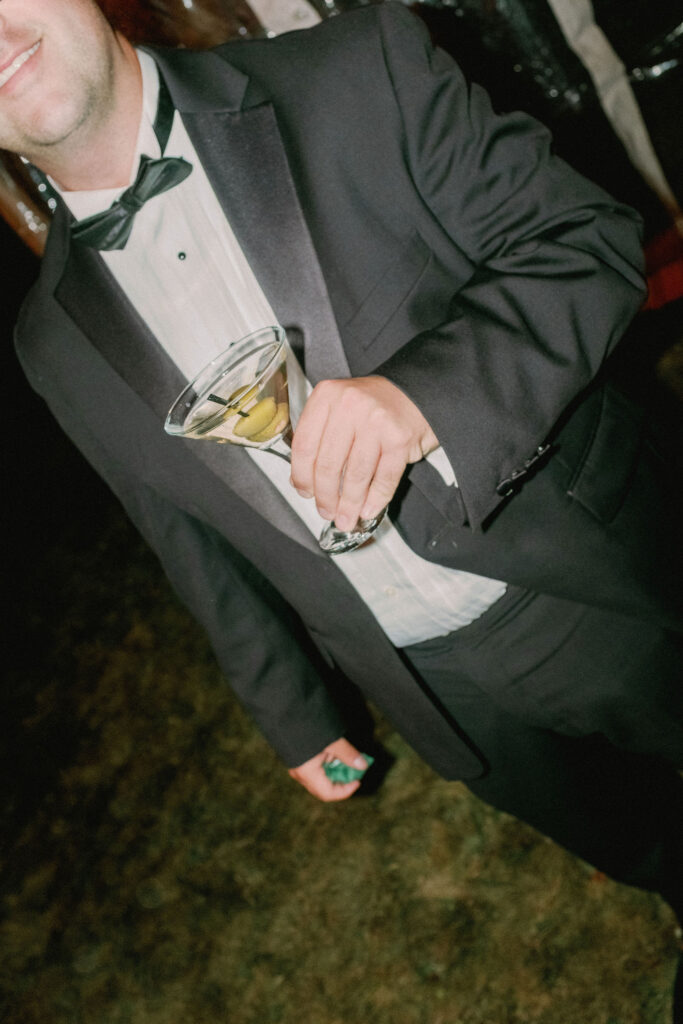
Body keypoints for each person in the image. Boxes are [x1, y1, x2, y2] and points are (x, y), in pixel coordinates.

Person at [3, 0, 681, 1014]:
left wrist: (424, 398)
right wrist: (290, 709)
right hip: (431, 687)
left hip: (589, 572)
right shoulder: (49, 341)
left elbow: (582, 239)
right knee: (630, 833)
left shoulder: (354, 71)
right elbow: (183, 539)